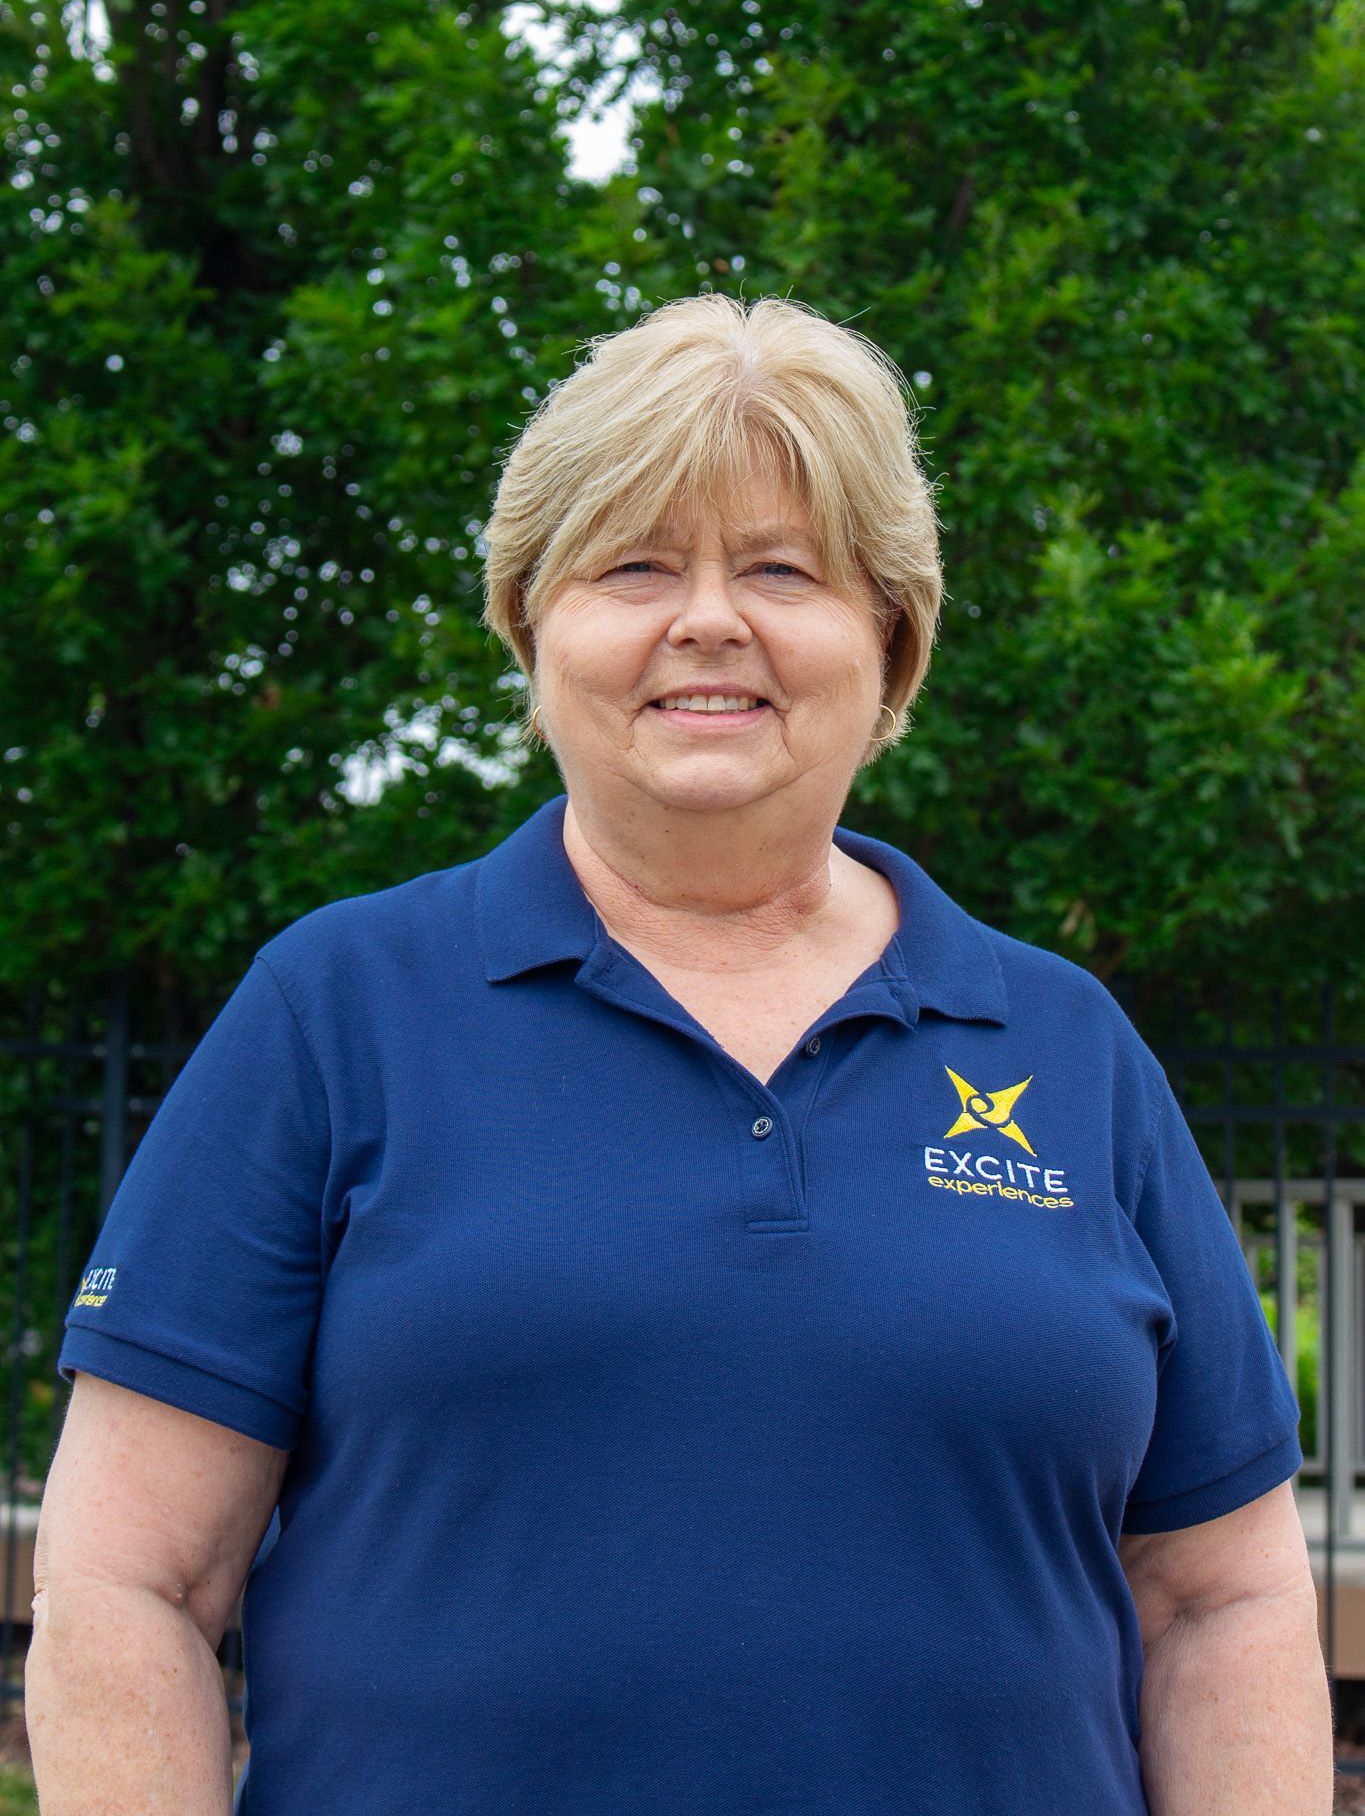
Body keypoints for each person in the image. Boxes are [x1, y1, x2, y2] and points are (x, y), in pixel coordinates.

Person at [27, 293, 1331, 1814]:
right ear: (532, 625)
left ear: (889, 641)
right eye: (635, 565)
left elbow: (1219, 1602)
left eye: (781, 569)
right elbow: (128, 1581)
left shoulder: (1065, 1047)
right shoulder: (334, 1009)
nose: (708, 619)